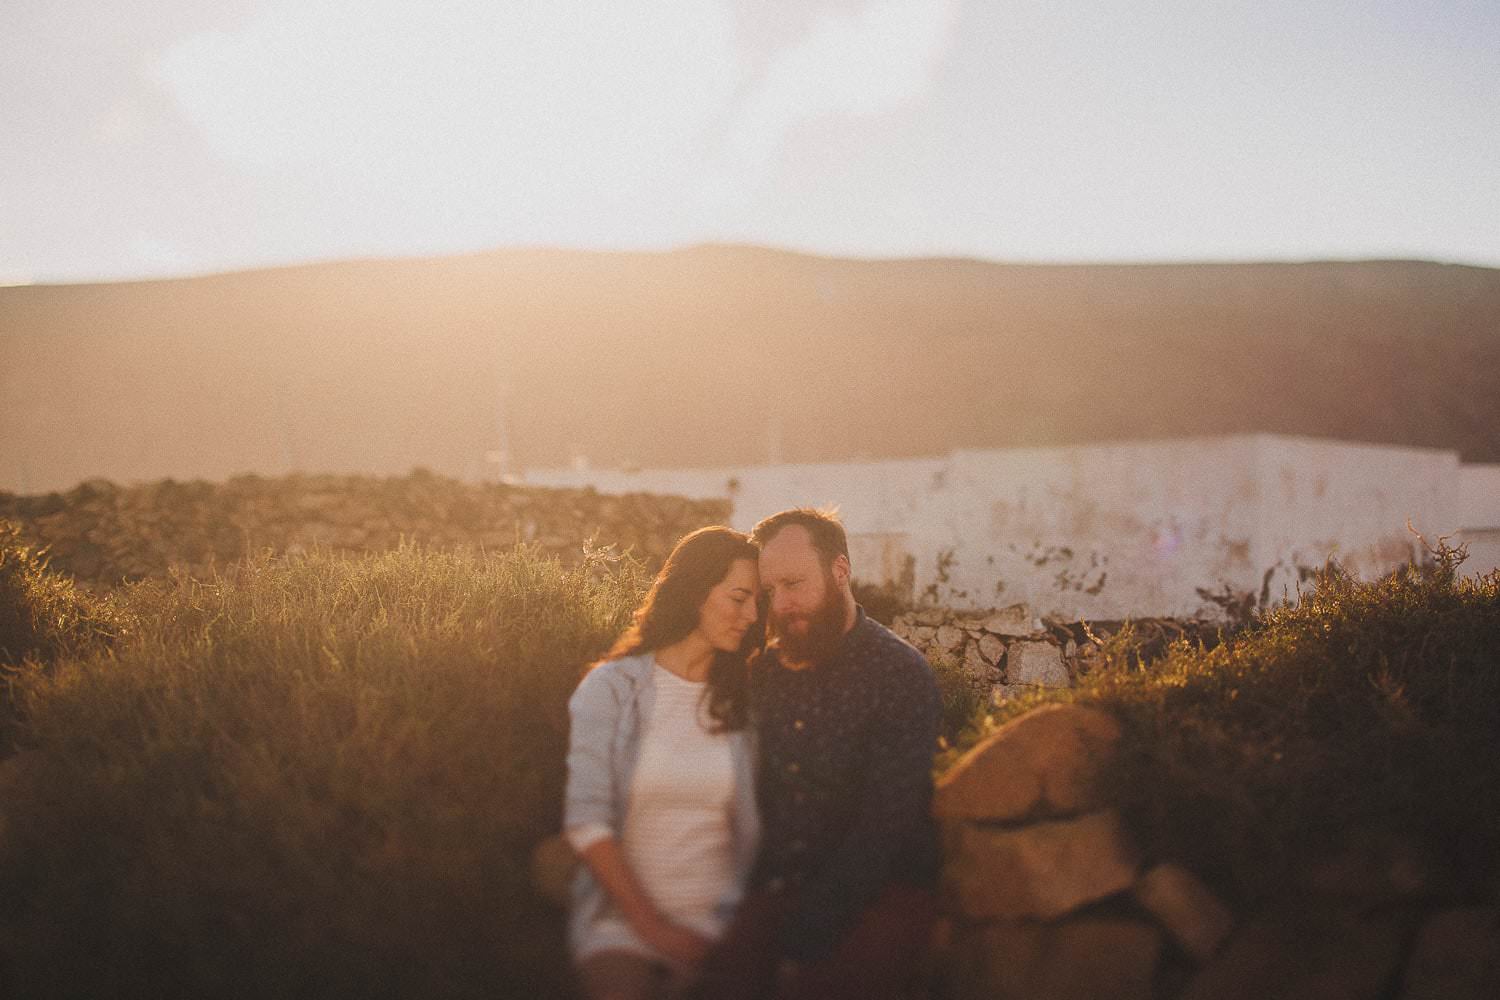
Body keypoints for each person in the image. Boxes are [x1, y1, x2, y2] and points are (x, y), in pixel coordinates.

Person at [691, 508, 943, 1000]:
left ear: (840, 571)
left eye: (794, 583)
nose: (781, 604)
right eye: (770, 592)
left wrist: (804, 937)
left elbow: (886, 823)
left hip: (878, 892)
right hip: (774, 884)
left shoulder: (900, 674)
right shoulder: (761, 672)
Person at [563, 526, 763, 1000]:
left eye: (757, 602)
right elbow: (587, 822)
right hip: (624, 927)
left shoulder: (746, 703)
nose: (751, 616)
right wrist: (654, 929)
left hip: (724, 930)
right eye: (739, 598)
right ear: (695, 592)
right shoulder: (612, 689)